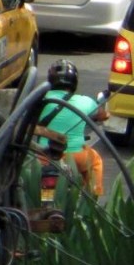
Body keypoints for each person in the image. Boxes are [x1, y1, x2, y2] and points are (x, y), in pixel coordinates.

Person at [38, 59, 107, 197]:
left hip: (43, 156)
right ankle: (91, 203)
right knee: (96, 162)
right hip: (76, 156)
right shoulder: (86, 101)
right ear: (74, 82)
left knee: (42, 188)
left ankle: (45, 201)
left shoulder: (40, 99)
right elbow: (102, 116)